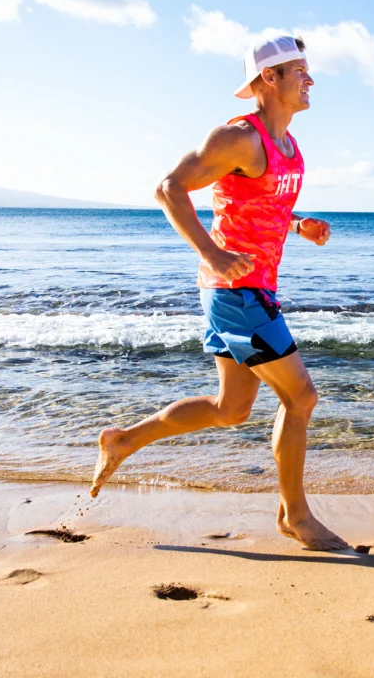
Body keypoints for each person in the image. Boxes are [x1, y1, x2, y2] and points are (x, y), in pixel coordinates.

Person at [90, 35, 347, 551]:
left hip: (248, 288)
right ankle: (296, 517)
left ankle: (123, 441)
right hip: (237, 291)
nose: (310, 79)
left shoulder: (289, 147)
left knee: (231, 408)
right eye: (299, 70)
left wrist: (297, 225)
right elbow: (168, 188)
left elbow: (258, 204)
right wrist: (211, 253)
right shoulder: (238, 138)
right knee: (301, 397)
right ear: (269, 77)